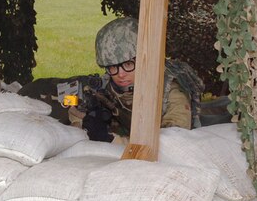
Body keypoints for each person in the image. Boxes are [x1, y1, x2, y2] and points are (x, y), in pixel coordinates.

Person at [68, 17, 203, 142]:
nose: (120, 74)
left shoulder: (171, 94)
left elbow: (170, 144)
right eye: (113, 67)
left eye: (128, 64)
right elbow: (77, 112)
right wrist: (81, 122)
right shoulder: (106, 87)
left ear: (145, 59)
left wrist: (111, 140)